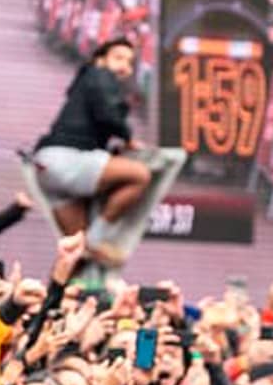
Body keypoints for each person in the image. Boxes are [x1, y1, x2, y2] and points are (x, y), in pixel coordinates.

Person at [28, 38, 182, 265]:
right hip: (68, 158)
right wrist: (128, 139)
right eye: (118, 58)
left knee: (76, 257)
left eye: (129, 62)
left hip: (46, 169)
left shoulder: (84, 83)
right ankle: (99, 240)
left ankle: (64, 292)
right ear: (100, 59)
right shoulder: (99, 74)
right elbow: (108, 115)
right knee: (139, 175)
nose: (124, 66)